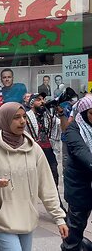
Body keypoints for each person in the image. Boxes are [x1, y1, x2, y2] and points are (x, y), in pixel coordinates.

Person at [0, 102, 68, 250]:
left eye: (24, 116)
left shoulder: (34, 149)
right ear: (5, 120)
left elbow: (47, 186)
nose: (22, 121)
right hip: (1, 219)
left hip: (26, 217)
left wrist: (59, 218)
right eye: (16, 117)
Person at [61, 96, 92, 251]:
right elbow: (81, 151)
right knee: (75, 229)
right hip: (79, 187)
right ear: (85, 113)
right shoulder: (74, 129)